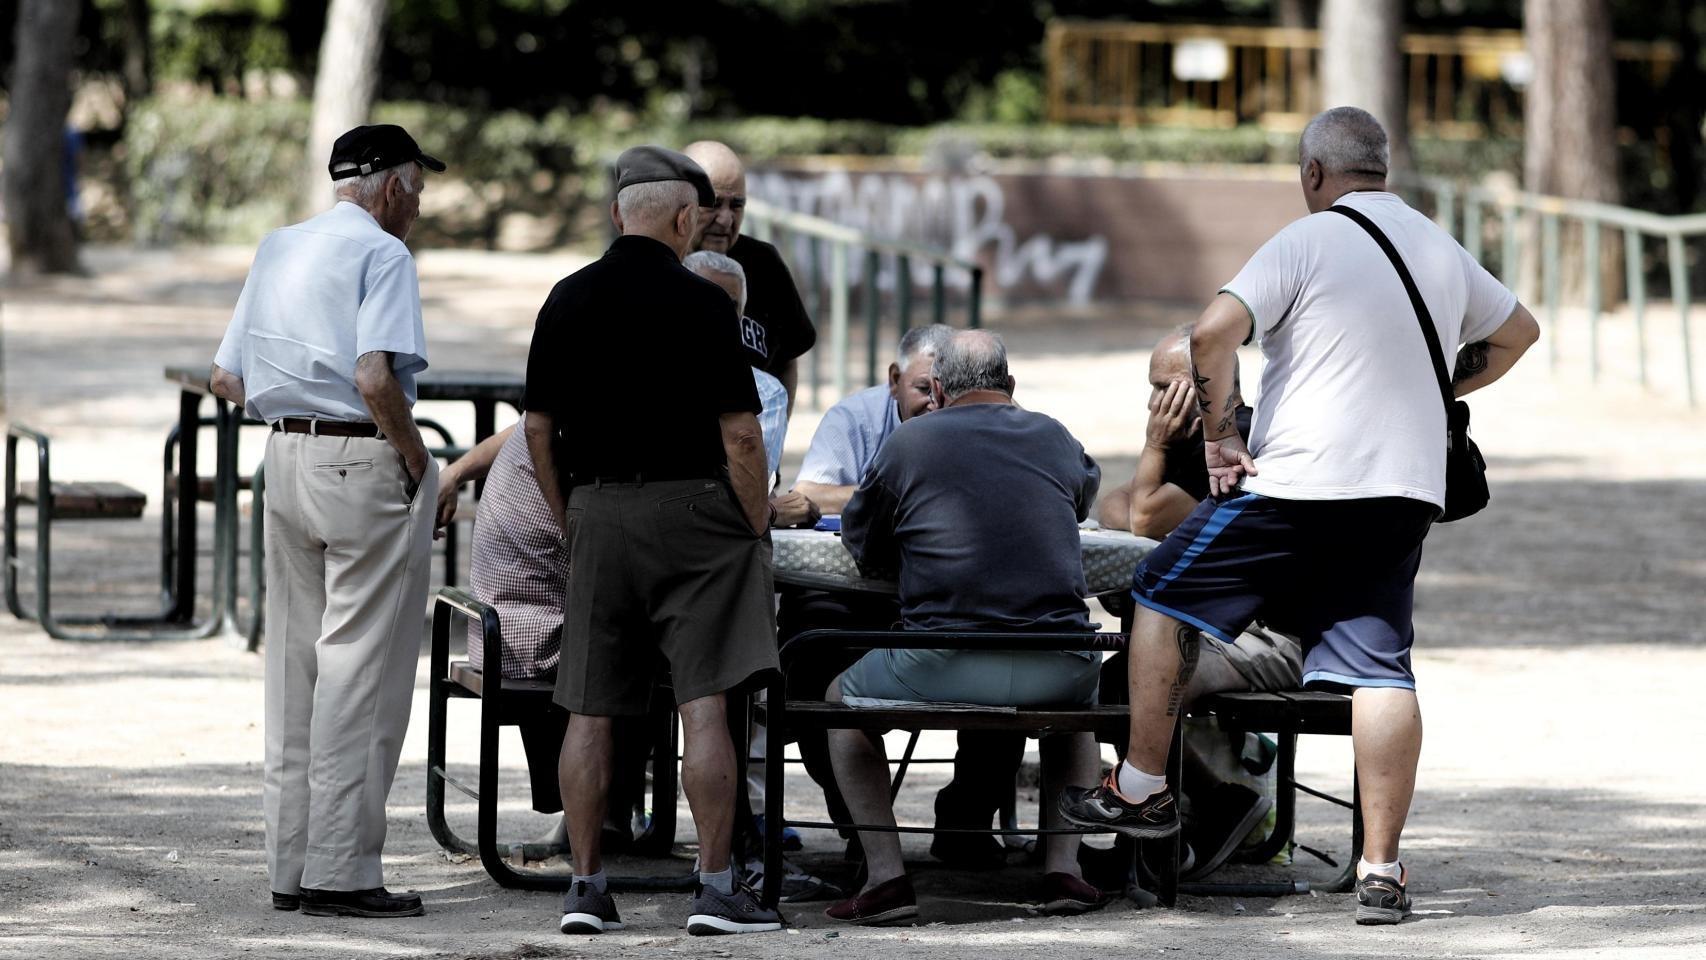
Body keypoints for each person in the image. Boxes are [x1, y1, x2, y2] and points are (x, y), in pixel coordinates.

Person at [1058, 107, 1540, 925]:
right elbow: (1518, 333)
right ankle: (1381, 872)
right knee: (1380, 670)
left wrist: (1220, 438)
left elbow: (1211, 335)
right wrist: (1436, 387)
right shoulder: (1436, 245)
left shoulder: (1307, 239)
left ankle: (1140, 787)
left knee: (1160, 590)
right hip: (1404, 491)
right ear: (1382, 168)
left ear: (1314, 173)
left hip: (1300, 485)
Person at [522, 145, 782, 937]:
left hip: (598, 509)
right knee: (705, 703)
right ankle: (716, 889)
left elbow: (535, 430)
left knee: (589, 707)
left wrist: (571, 514)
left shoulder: (566, 297)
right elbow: (742, 434)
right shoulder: (704, 305)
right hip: (694, 514)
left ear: (615, 216)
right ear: (684, 219)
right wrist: (754, 522)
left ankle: (586, 888)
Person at [209, 124, 445, 918]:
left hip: (283, 459)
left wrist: (296, 409)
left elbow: (225, 377)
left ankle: (290, 866)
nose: (418, 206)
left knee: (294, 667)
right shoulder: (385, 255)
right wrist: (413, 453)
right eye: (417, 189)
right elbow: (375, 377)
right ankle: (340, 872)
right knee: (360, 670)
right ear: (390, 187)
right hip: (361, 459)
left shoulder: (279, 246)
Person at [824, 330, 1107, 925]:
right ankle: (1065, 869)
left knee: (838, 705)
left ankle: (886, 878)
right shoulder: (1055, 435)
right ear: (1012, 385)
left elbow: (864, 543)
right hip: (1058, 664)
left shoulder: (908, 441)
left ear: (938, 388)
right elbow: (1082, 500)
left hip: (942, 661)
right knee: (1076, 713)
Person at [1096, 327, 1303, 881]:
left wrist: (1153, 448)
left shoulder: (1240, 444)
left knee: (1128, 683)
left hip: (1272, 638)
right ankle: (1183, 818)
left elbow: (1142, 516)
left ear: (1211, 384)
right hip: (1225, 630)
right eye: (1152, 388)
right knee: (1123, 676)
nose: (1155, 404)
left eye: (1167, 388)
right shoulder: (1198, 445)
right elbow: (1115, 505)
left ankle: (1200, 816)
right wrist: (1149, 480)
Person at [683, 140, 816, 410]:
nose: (725, 219)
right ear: (682, 202)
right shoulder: (655, 262)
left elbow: (787, 359)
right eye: (714, 203)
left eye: (736, 205)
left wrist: (778, 426)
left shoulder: (764, 264)